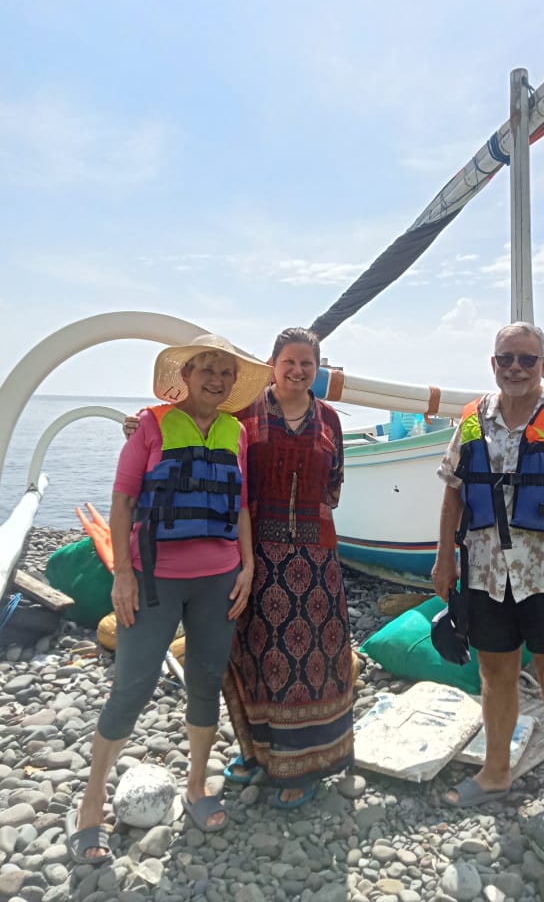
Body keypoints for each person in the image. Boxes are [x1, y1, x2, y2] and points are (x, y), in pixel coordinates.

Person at [67, 334, 272, 864]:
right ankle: (91, 805)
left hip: (220, 579)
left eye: (226, 373)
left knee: (204, 680)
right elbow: (123, 499)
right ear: (187, 375)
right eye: (207, 369)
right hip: (155, 578)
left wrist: (247, 565)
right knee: (131, 688)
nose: (217, 380)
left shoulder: (235, 433)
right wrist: (122, 577)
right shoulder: (152, 426)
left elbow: (243, 505)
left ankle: (197, 785)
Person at [432, 322, 544, 809]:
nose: (515, 368)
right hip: (486, 573)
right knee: (494, 672)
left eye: (527, 360)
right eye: (506, 358)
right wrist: (444, 558)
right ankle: (496, 772)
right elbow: (454, 493)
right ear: (493, 364)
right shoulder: (471, 420)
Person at [221, 326, 354, 809]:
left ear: (317, 371)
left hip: (316, 560)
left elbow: (335, 485)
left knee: (312, 660)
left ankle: (310, 762)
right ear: (273, 363)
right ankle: (258, 753)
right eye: (290, 362)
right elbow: (207, 448)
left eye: (308, 365)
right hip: (253, 555)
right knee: (255, 653)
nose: (298, 372)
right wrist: (141, 426)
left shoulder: (330, 419)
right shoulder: (244, 413)